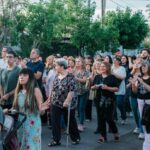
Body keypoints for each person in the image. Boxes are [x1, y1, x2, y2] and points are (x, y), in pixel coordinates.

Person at [13, 68, 50, 150]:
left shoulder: (35, 90)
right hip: (21, 124)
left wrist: (42, 108)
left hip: (32, 124)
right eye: (20, 75)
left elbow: (42, 111)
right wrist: (8, 111)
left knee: (31, 146)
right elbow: (16, 109)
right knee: (21, 145)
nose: (21, 77)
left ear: (30, 78)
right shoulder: (18, 92)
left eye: (25, 75)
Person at [48, 58, 80, 147]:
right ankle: (56, 140)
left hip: (68, 103)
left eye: (57, 65)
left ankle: (75, 137)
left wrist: (67, 101)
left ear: (62, 66)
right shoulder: (56, 76)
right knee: (55, 121)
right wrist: (49, 99)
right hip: (56, 101)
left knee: (69, 121)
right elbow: (53, 88)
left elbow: (72, 91)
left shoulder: (70, 77)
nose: (55, 67)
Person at [92, 62, 120, 143]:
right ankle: (103, 136)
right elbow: (92, 86)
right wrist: (94, 87)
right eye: (101, 66)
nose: (102, 68)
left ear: (108, 67)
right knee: (100, 119)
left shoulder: (112, 77)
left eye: (104, 66)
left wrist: (107, 88)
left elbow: (116, 89)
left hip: (109, 100)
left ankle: (115, 132)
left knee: (109, 118)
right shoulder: (97, 77)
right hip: (98, 100)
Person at [131, 61, 150, 150]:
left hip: (149, 101)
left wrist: (142, 82)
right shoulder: (139, 77)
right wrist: (133, 85)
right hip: (140, 100)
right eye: (142, 67)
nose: (143, 68)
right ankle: (146, 139)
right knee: (143, 120)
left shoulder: (146, 78)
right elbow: (135, 91)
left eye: (144, 66)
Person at [74, 57, 89, 132]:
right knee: (77, 108)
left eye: (79, 61)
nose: (77, 62)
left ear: (82, 62)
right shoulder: (74, 71)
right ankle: (79, 122)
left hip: (83, 92)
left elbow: (84, 81)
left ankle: (81, 124)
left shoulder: (85, 71)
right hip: (75, 92)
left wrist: (76, 78)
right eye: (76, 61)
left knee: (81, 108)